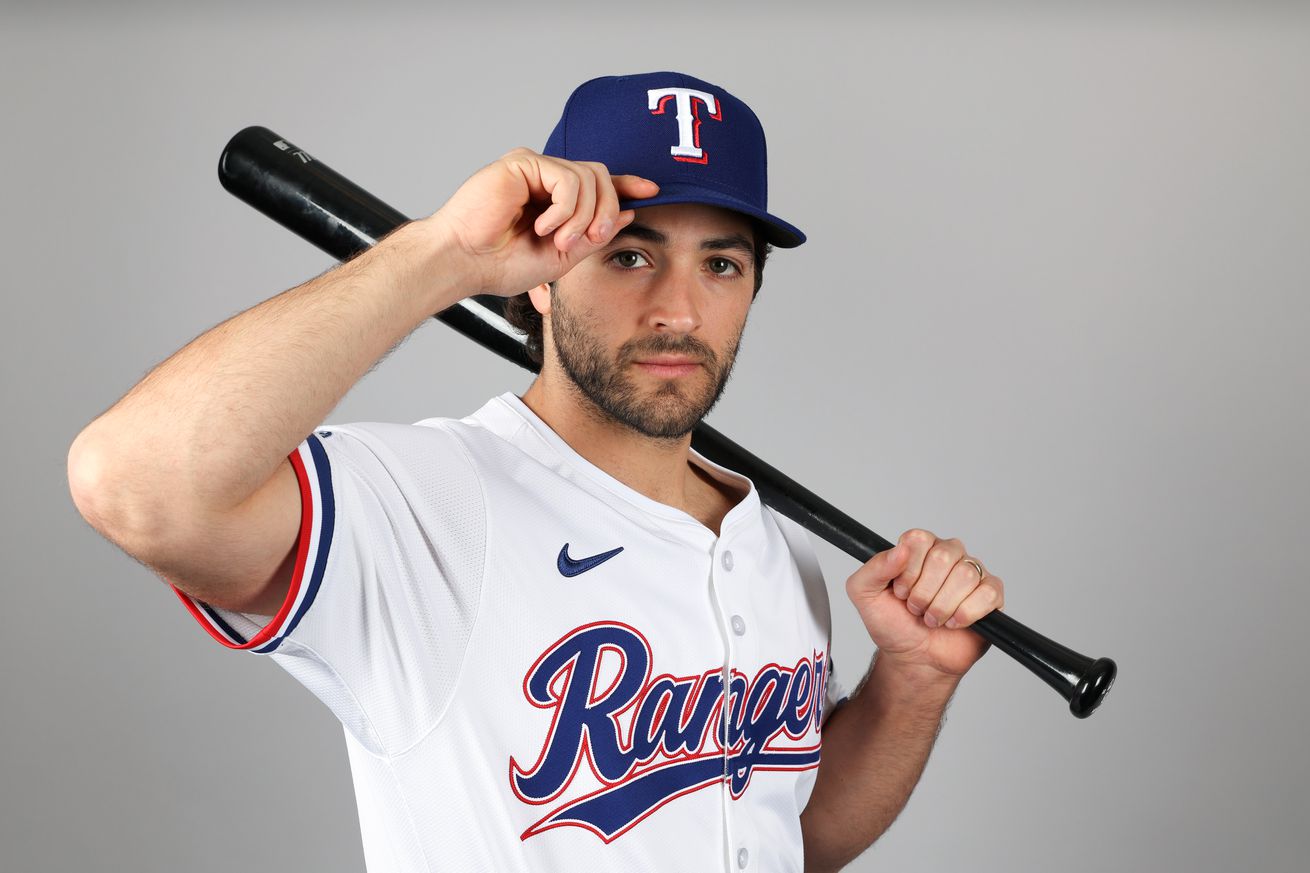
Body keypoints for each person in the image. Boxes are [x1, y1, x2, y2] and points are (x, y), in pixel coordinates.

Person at [66, 71, 1006, 872]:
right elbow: (134, 484)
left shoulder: (769, 545)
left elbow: (786, 835)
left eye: (721, 263)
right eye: (630, 253)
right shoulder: (427, 505)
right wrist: (449, 254)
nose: (678, 309)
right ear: (543, 273)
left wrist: (910, 683)